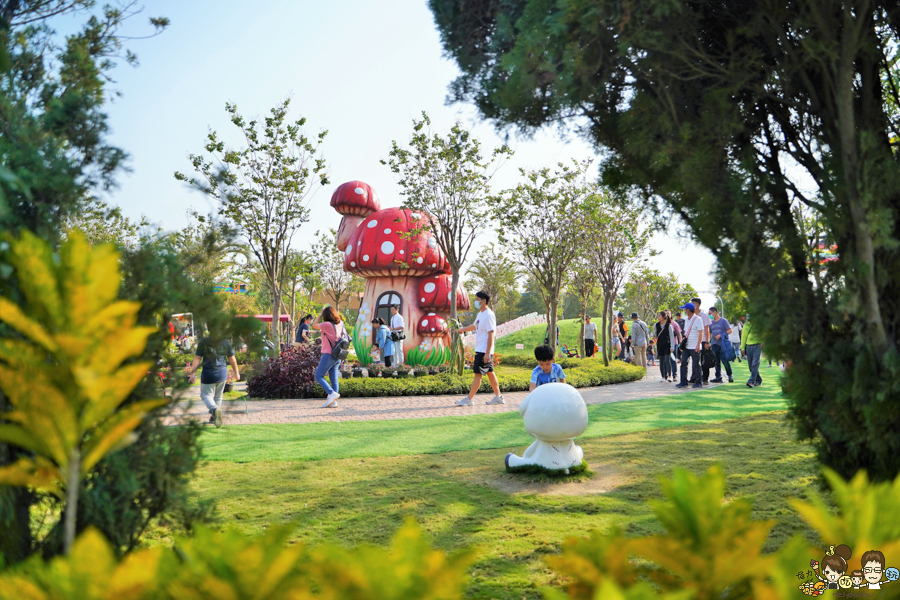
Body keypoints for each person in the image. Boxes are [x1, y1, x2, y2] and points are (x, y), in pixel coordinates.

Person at [455, 290, 504, 406]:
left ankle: (469, 399)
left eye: (477, 299)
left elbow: (491, 334)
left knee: (478, 374)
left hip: (483, 350)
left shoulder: (489, 315)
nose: (475, 302)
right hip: (481, 349)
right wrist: (462, 329)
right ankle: (499, 397)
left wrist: (487, 353)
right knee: (490, 373)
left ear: (484, 301)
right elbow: (474, 326)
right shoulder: (481, 314)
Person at [188, 332, 239, 428]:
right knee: (218, 397)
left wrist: (193, 373)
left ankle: (214, 410)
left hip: (208, 374)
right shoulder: (226, 342)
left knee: (205, 395)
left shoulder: (203, 342)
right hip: (222, 373)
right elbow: (232, 359)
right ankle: (214, 417)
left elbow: (197, 358)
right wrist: (236, 373)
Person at [311, 306, 347, 408]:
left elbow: (314, 325)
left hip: (328, 355)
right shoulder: (341, 324)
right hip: (338, 355)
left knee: (318, 376)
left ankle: (331, 393)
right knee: (334, 379)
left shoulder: (327, 324)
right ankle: (334, 402)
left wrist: (320, 314)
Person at [675, 302, 703, 388]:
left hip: (694, 346)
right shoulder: (686, 320)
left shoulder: (698, 319)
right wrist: (682, 344)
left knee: (696, 364)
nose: (684, 311)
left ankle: (699, 381)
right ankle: (683, 381)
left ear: (688, 310)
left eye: (685, 309)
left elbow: (700, 333)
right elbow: (685, 332)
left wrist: (698, 345)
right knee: (683, 363)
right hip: (687, 346)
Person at [707, 307, 734, 383]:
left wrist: (721, 335)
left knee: (725, 361)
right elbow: (710, 333)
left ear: (715, 312)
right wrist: (709, 342)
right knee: (716, 361)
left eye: (710, 313)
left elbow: (730, 330)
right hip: (714, 344)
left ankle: (729, 375)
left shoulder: (723, 321)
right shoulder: (711, 323)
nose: (710, 315)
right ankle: (718, 377)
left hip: (723, 344)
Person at [692, 297, 712, 383]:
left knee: (704, 360)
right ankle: (695, 377)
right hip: (693, 341)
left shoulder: (704, 316)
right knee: (695, 361)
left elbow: (707, 329)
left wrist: (707, 341)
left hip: (703, 340)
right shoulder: (691, 315)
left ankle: (705, 378)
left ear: (698, 305)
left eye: (694, 304)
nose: (693, 305)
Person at [741, 313, 763, 387]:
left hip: (757, 346)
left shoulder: (759, 324)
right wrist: (742, 348)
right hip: (748, 346)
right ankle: (758, 380)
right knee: (751, 365)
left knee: (755, 364)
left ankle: (751, 381)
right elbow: (743, 337)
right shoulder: (745, 325)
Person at [654, 311, 677, 382]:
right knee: (661, 361)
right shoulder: (656, 325)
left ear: (664, 317)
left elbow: (672, 337)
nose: (658, 317)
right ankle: (663, 376)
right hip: (659, 345)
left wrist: (672, 347)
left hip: (667, 345)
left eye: (659, 316)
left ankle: (670, 376)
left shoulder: (669, 325)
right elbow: (655, 335)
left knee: (667, 360)